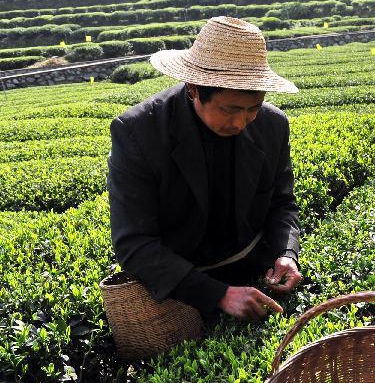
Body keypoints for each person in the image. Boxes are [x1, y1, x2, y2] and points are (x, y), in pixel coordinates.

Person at [108, 17, 303, 324]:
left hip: (253, 271)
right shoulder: (139, 133)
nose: (240, 123)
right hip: (180, 288)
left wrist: (286, 253)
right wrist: (218, 294)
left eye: (252, 109)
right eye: (229, 110)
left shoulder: (272, 125)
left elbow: (282, 203)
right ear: (194, 89)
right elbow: (133, 243)